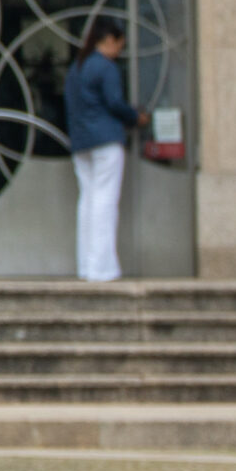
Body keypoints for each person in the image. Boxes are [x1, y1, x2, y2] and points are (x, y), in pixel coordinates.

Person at [64, 18, 147, 282]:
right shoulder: (105, 67)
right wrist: (135, 117)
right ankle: (102, 268)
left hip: (81, 141)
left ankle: (87, 266)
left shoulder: (77, 67)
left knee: (88, 201)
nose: (119, 52)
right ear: (110, 40)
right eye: (119, 46)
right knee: (105, 203)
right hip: (106, 140)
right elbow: (115, 102)